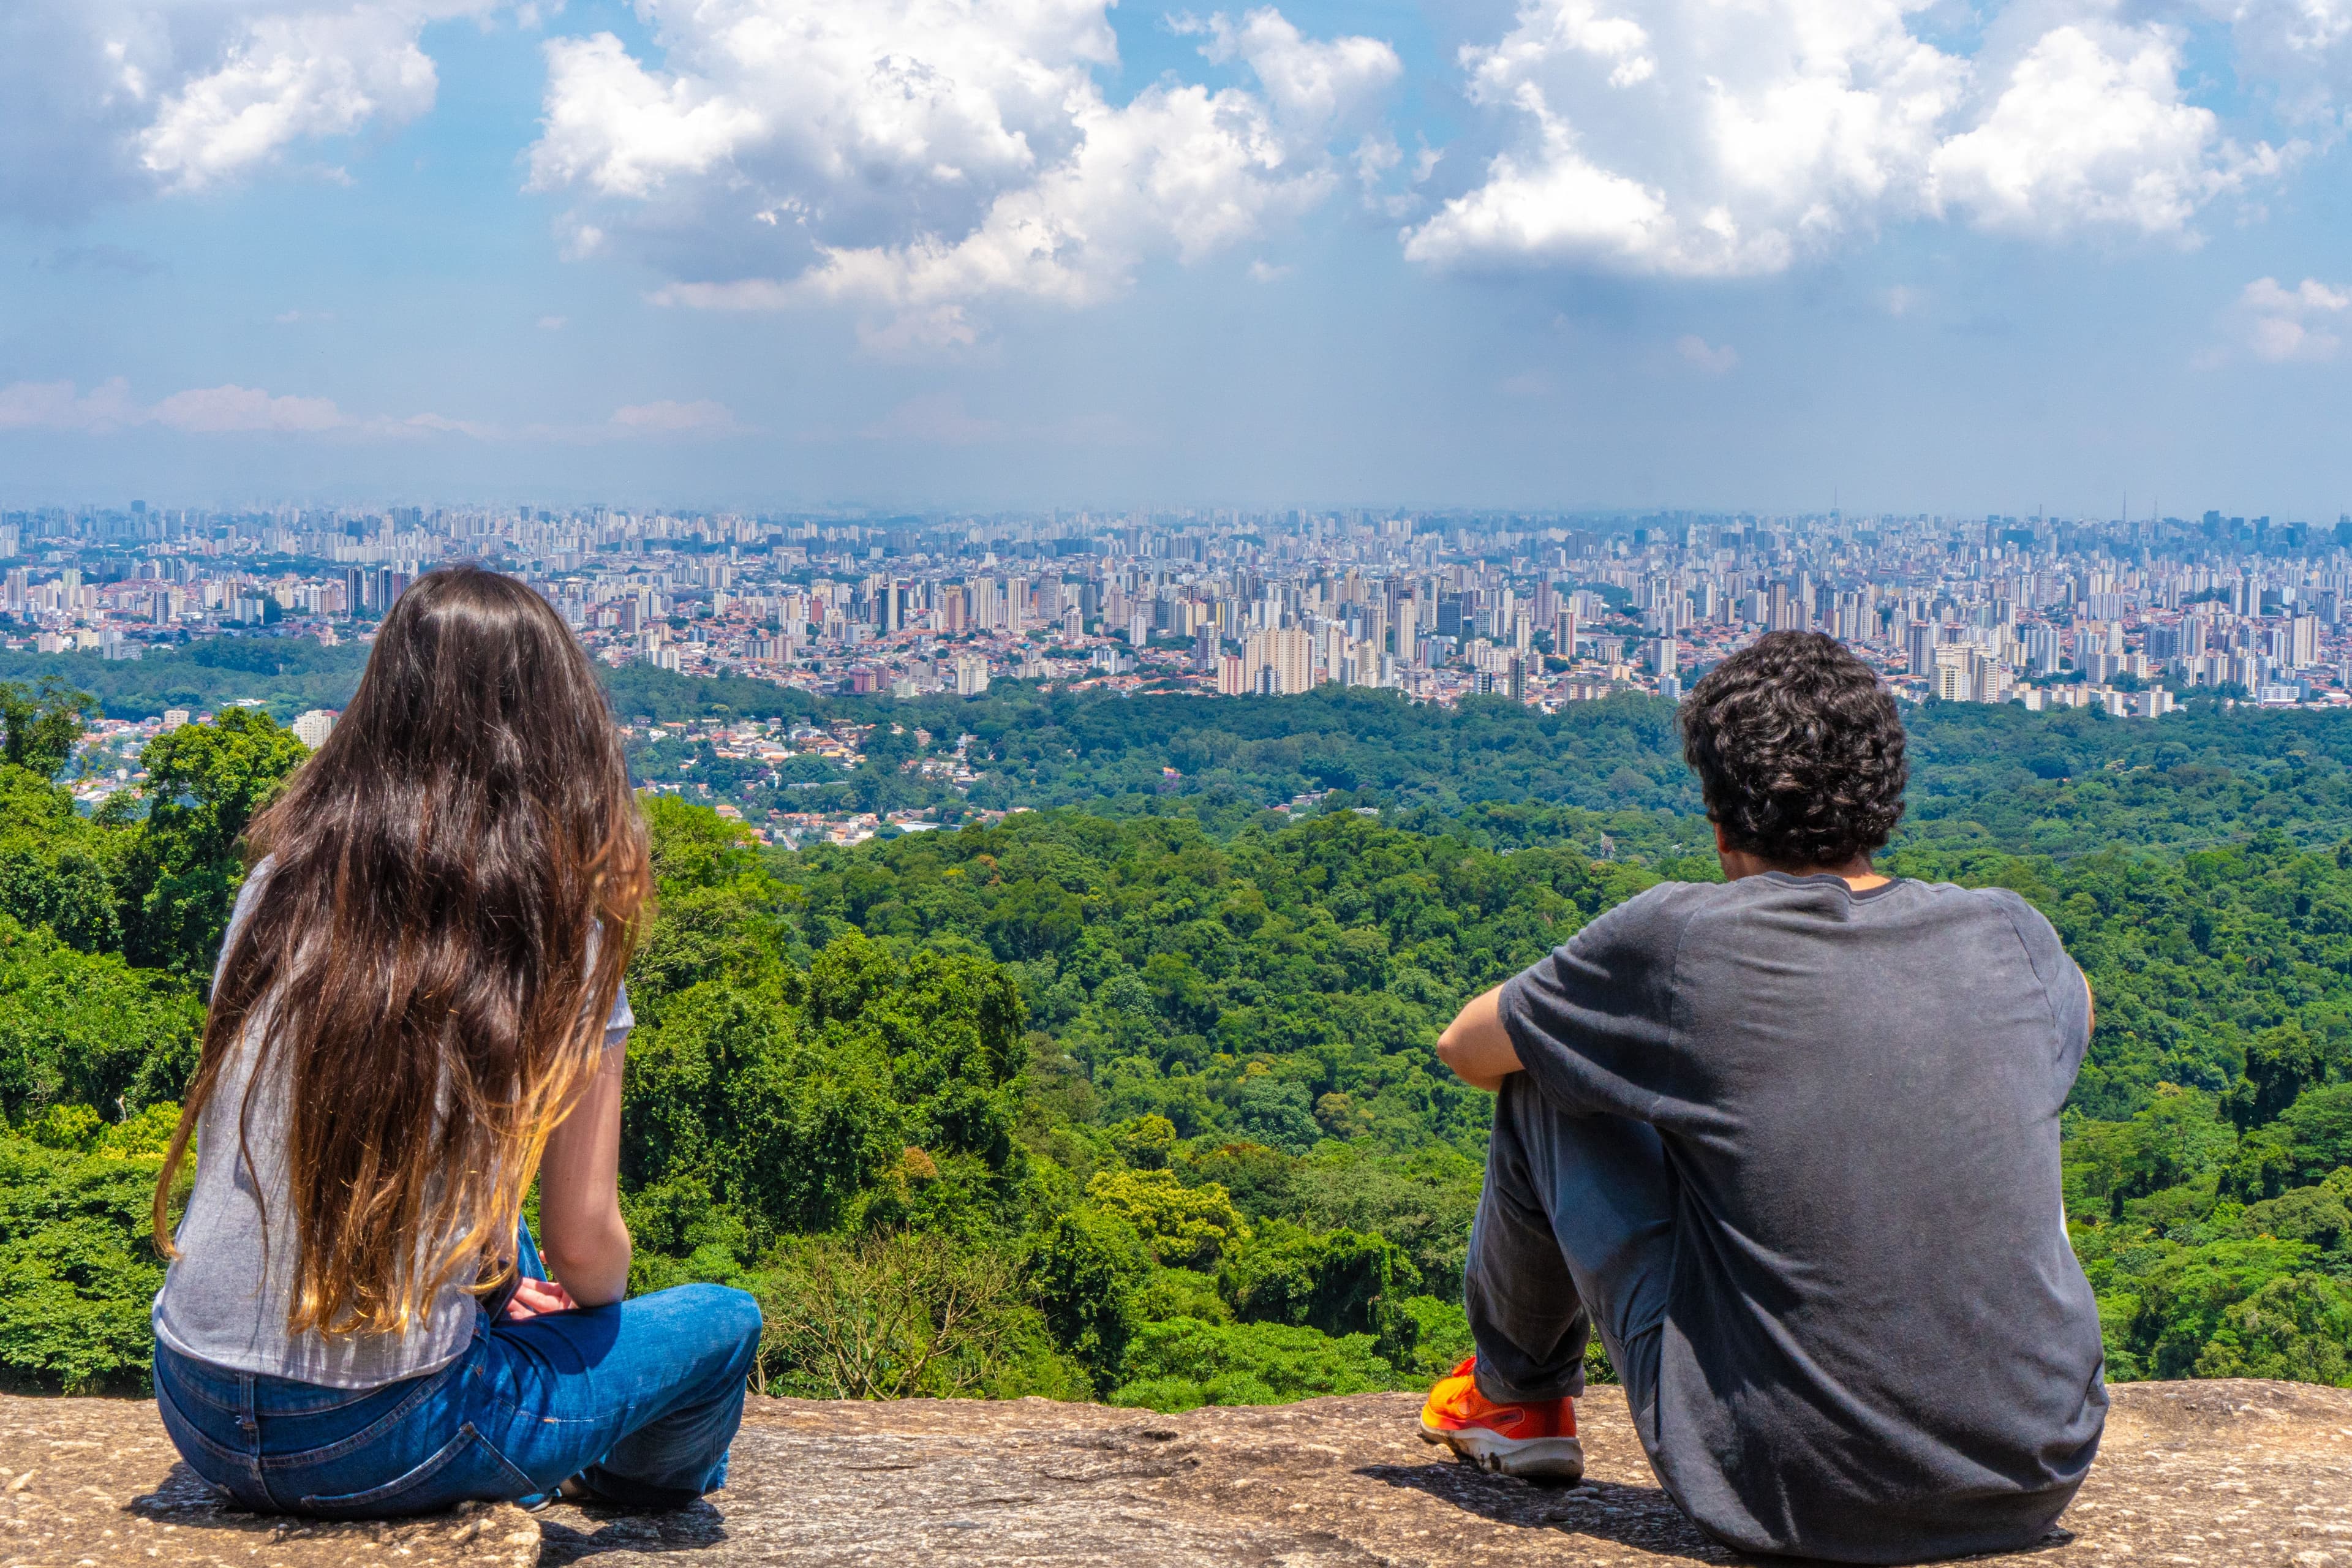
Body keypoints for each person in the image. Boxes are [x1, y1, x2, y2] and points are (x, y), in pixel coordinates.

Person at [1418, 630, 2106, 1564]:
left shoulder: (1678, 941)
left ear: (1717, 818)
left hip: (1783, 1490)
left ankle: (1520, 1395)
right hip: (2033, 1472)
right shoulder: (2012, 935)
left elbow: (1468, 1047)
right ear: (1885, 796)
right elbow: (2077, 1022)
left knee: (1543, 1061)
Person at [149, 565, 762, 1518]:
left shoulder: (276, 886)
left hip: (194, 1401)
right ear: (557, 727)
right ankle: (624, 1479)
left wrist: (492, 1271)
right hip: (385, 1431)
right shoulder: (565, 931)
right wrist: (552, 1311)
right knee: (723, 1324)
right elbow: (590, 1252)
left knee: (494, 1221)